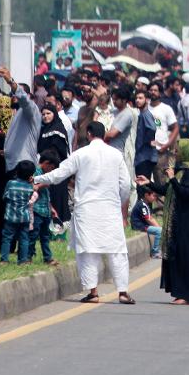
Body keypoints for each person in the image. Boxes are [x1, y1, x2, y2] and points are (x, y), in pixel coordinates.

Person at [32, 121, 135, 304]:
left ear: (88, 134)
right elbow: (125, 185)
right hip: (110, 209)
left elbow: (58, 175)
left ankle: (93, 292)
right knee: (117, 250)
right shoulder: (116, 155)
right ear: (103, 135)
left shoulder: (81, 154)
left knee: (87, 251)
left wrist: (37, 178)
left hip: (86, 210)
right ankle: (123, 292)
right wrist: (120, 205)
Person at [136, 138, 189, 304]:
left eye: (178, 151)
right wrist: (149, 183)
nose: (175, 154)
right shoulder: (182, 170)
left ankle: (187, 295)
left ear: (186, 153)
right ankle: (181, 293)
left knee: (186, 257)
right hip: (180, 223)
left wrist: (172, 178)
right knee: (179, 257)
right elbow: (168, 190)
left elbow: (185, 193)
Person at [27, 150, 61, 265]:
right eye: (51, 168)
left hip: (45, 210)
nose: (51, 171)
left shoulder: (46, 176)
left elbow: (46, 195)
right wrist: (43, 184)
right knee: (33, 235)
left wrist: (52, 209)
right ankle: (28, 257)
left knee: (45, 237)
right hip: (36, 210)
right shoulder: (36, 172)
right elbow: (33, 187)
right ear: (46, 163)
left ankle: (48, 257)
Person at [0, 160, 35, 265]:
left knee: (7, 238)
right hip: (24, 217)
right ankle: (22, 260)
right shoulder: (29, 187)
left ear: (17, 171)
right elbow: (30, 198)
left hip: (11, 216)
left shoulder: (10, 183)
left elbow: (4, 197)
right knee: (24, 238)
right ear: (30, 175)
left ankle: (4, 260)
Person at [130, 185, 162, 259]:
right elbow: (149, 219)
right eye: (154, 196)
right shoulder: (142, 205)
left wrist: (159, 227)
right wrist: (159, 229)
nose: (155, 198)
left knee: (160, 229)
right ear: (146, 195)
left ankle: (157, 249)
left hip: (143, 225)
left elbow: (151, 218)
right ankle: (155, 252)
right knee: (159, 231)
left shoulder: (145, 204)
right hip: (139, 226)